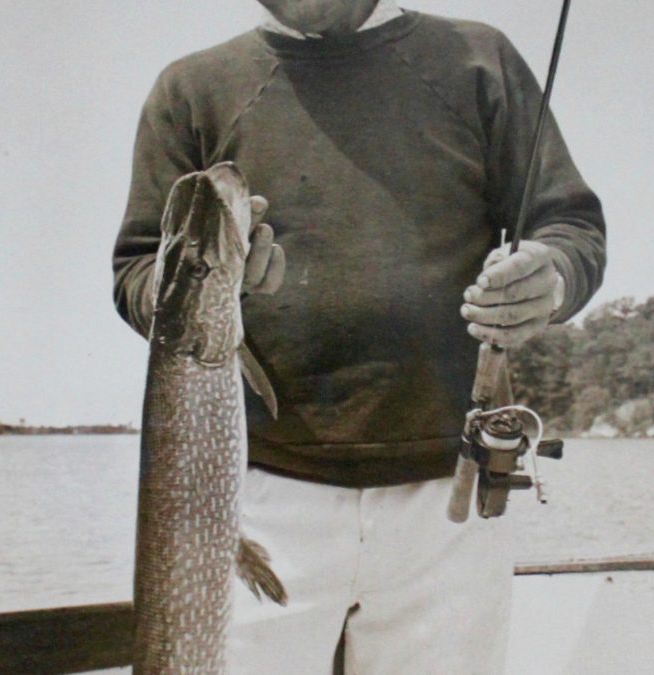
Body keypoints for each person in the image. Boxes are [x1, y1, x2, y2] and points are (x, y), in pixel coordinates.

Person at [113, 0, 606, 672]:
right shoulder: (191, 89)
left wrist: (549, 279)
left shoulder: (477, 61)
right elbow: (138, 268)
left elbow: (571, 225)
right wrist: (209, 280)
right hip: (253, 495)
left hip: (449, 502)